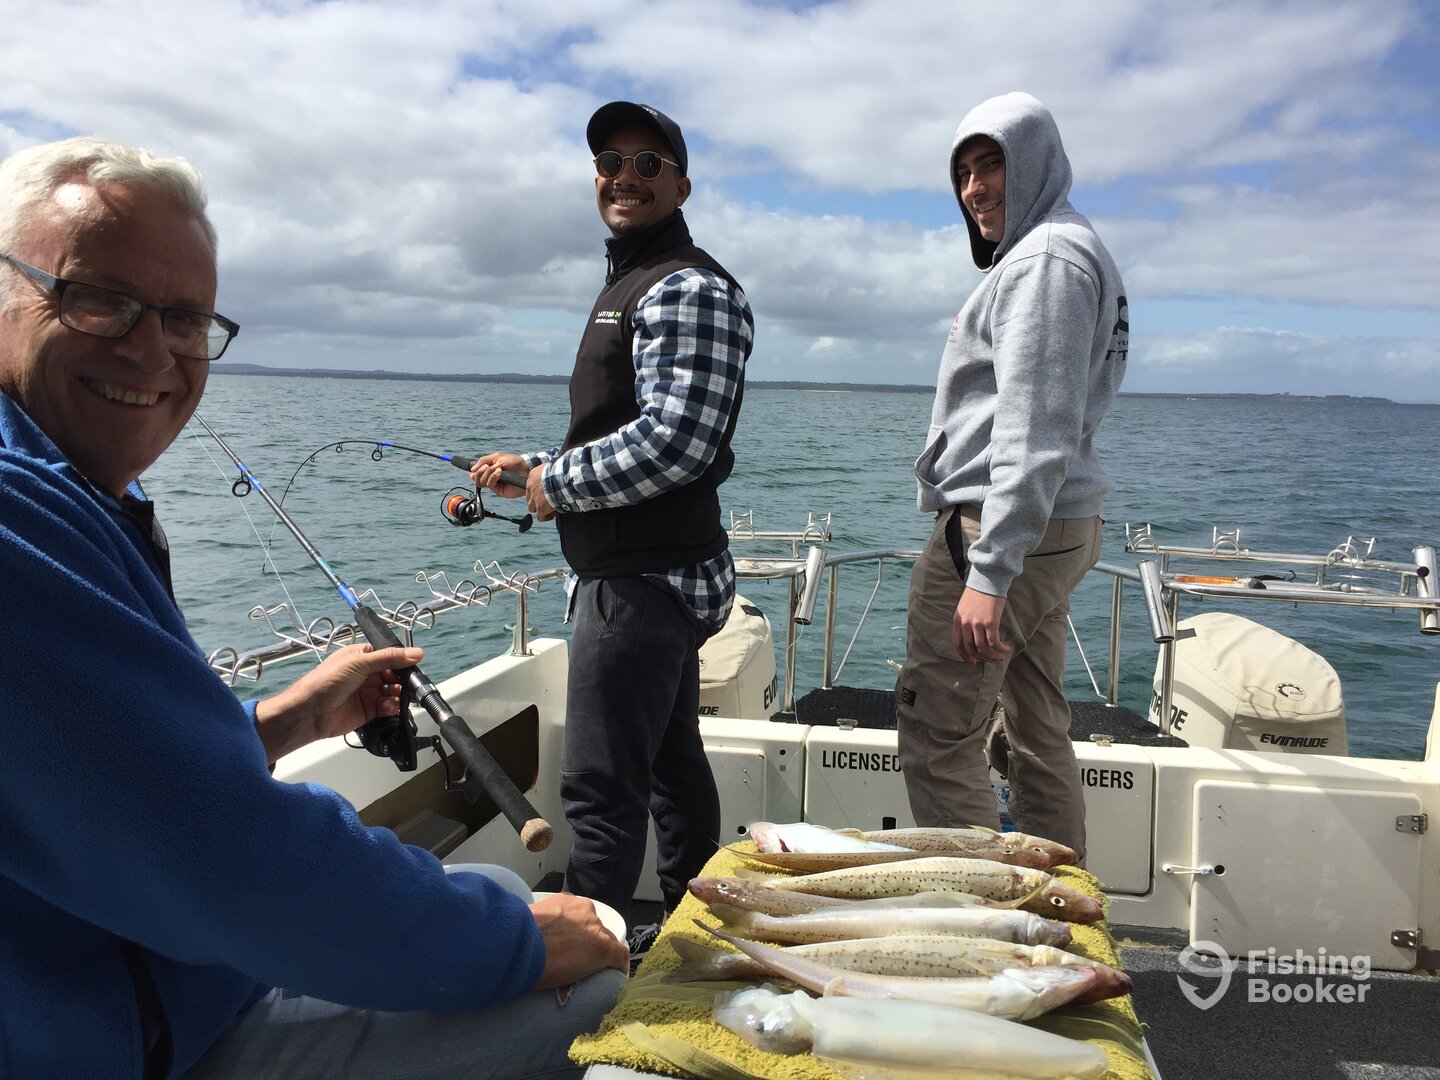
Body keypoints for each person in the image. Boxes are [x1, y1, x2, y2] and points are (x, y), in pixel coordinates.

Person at [0, 137, 627, 1080]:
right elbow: (232, 862)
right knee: (592, 985)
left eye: (185, 318)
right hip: (127, 1045)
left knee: (500, 882)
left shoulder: (72, 493)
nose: (151, 348)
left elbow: (104, 781)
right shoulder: (16, 519)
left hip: (165, 994)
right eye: (98, 297)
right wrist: (524, 946)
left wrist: (285, 720)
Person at [471, 102, 754, 932]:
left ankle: (584, 972)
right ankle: (698, 937)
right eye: (609, 162)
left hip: (640, 583)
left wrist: (557, 482)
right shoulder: (634, 280)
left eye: (646, 164)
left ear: (681, 186)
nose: (624, 177)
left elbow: (679, 441)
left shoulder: (688, 286)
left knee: (600, 795)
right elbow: (625, 422)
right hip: (643, 575)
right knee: (670, 766)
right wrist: (533, 468)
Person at [895, 92, 1129, 864]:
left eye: (991, 163)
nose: (974, 188)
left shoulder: (1045, 263)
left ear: (1035, 162)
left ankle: (979, 918)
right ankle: (1058, 911)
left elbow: (1034, 429)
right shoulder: (1064, 250)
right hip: (1051, 528)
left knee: (938, 733)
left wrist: (990, 572)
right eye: (962, 172)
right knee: (1032, 723)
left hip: (1003, 532)